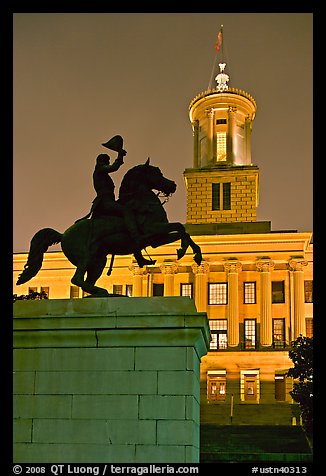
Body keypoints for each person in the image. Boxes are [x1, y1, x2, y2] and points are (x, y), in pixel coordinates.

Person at [77, 149, 155, 268]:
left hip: (109, 200)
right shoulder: (100, 170)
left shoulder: (102, 173)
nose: (107, 163)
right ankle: (136, 236)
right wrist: (120, 156)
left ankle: (139, 256)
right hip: (105, 202)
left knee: (128, 214)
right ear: (102, 161)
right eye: (106, 161)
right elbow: (113, 167)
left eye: (108, 161)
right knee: (126, 211)